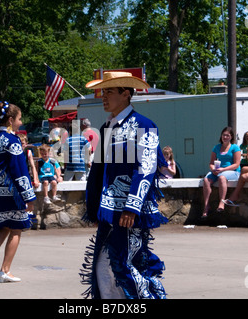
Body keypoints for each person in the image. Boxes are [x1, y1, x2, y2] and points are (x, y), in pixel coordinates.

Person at [80, 71, 167, 299]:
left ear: (126, 94)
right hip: (109, 211)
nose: (103, 96)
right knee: (103, 266)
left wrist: (132, 206)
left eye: (109, 91)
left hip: (129, 211)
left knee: (124, 264)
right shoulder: (106, 128)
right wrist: (94, 208)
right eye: (103, 91)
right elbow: (98, 172)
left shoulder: (144, 125)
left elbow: (146, 169)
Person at [0, 101, 36, 283]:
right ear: (11, 120)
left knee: (3, 227)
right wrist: (29, 196)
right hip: (12, 193)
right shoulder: (13, 142)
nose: (21, 122)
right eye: (19, 119)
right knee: (16, 229)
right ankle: (5, 270)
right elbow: (20, 171)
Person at [201, 127, 241, 217]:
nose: (225, 137)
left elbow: (236, 164)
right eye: (224, 135)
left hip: (232, 171)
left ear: (231, 137)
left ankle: (221, 202)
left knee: (222, 177)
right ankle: (206, 205)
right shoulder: (216, 147)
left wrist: (223, 170)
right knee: (206, 180)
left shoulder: (235, 148)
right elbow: (211, 163)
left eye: (227, 135)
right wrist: (213, 169)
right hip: (218, 170)